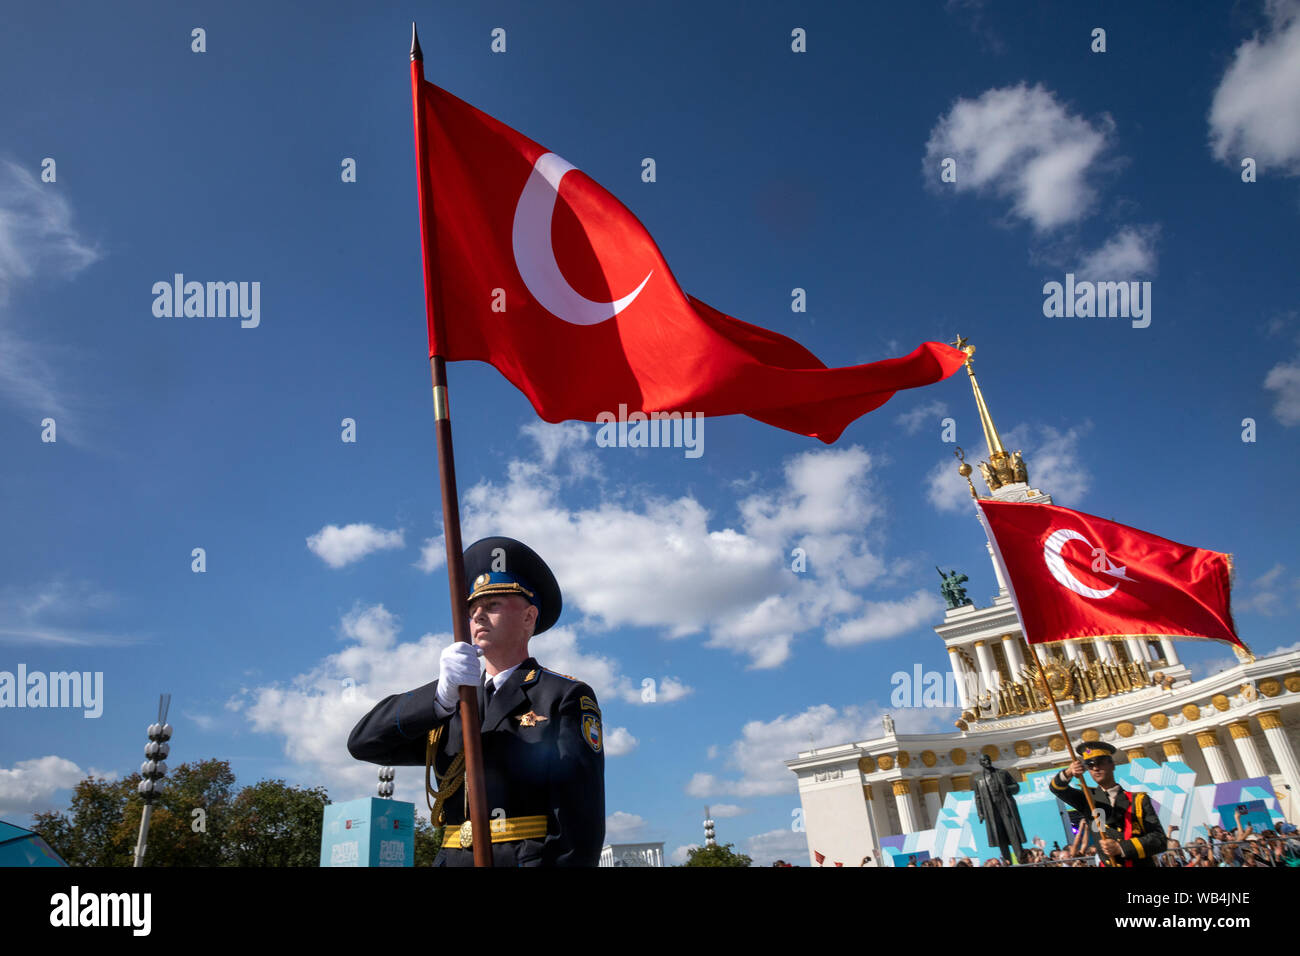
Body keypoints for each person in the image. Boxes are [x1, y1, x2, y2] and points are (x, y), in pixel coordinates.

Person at [347, 536, 605, 866]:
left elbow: (580, 820)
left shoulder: (563, 696)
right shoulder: (451, 701)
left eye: (494, 605)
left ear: (529, 617)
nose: (479, 614)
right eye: (472, 609)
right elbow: (363, 743)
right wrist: (439, 696)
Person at [1048, 740, 1166, 867]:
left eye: (1100, 762)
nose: (1095, 768)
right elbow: (1056, 788)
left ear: (1112, 765)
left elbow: (1159, 840)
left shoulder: (1139, 799)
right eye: (1090, 765)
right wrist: (1069, 772)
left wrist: (1121, 847)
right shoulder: (1087, 799)